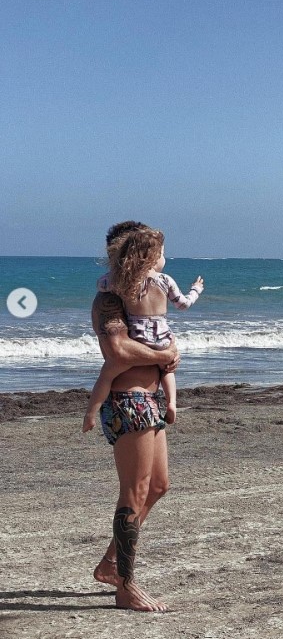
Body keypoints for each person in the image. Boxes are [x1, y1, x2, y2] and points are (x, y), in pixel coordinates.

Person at [87, 220, 181, 612]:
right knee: (134, 491)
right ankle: (125, 586)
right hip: (128, 401)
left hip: (150, 399)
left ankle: (111, 564)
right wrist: (163, 355)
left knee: (158, 486)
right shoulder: (109, 301)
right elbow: (119, 353)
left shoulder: (146, 291)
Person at [83, 226, 203, 431]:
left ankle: (90, 414)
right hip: (162, 338)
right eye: (163, 254)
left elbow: (102, 283)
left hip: (139, 337)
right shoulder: (165, 280)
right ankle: (172, 403)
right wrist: (196, 290)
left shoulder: (126, 282)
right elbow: (183, 304)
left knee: (106, 375)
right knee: (168, 371)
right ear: (153, 257)